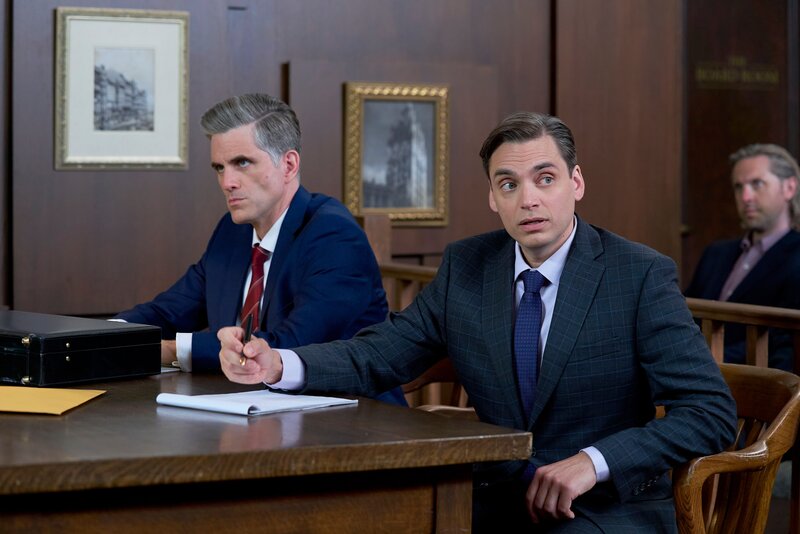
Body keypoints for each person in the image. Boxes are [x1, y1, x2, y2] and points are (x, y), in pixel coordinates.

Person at [218, 111, 737, 531]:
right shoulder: (467, 266)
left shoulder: (638, 274)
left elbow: (709, 412)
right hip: (492, 500)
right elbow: (381, 353)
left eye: (546, 179)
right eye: (508, 184)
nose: (528, 199)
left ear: (576, 183)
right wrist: (278, 363)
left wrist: (593, 462)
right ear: (493, 197)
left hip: (602, 509)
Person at [116, 93, 405, 405]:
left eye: (242, 163)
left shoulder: (334, 236)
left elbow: (288, 345)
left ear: (289, 164)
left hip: (353, 416)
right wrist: (103, 336)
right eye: (219, 167)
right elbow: (170, 310)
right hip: (250, 408)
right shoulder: (232, 231)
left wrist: (170, 351)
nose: (227, 182)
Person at [685, 143, 800, 372]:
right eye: (739, 187)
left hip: (753, 382)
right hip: (689, 374)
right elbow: (682, 315)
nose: (745, 197)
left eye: (757, 184)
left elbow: (784, 343)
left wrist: (701, 359)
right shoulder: (715, 253)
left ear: (789, 188)